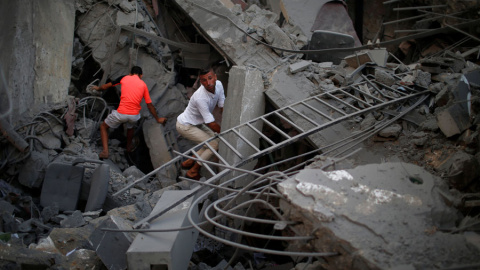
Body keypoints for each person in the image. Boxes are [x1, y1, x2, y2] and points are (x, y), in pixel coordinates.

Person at [93, 66, 167, 159]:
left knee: (103, 127)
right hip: (134, 116)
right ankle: (128, 146)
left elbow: (105, 86)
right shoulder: (143, 85)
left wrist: (97, 88)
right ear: (141, 75)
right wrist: (158, 119)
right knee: (130, 127)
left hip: (121, 114)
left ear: (130, 73)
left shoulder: (124, 78)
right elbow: (149, 105)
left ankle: (105, 151)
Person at [176, 67, 225, 180]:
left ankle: (189, 162)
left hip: (197, 123)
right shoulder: (200, 98)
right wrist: (225, 132)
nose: (208, 83)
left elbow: (222, 105)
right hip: (185, 126)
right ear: (200, 81)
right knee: (214, 145)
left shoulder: (219, 85)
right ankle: (193, 171)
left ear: (215, 77)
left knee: (213, 140)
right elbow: (211, 123)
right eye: (204, 80)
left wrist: (227, 121)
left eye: (210, 78)